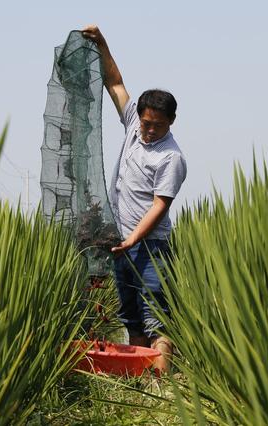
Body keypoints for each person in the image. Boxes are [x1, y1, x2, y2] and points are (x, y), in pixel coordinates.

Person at [82, 25, 187, 374]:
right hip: (122, 245)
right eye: (145, 123)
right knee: (131, 317)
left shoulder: (171, 158)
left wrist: (133, 239)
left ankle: (162, 388)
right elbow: (115, 84)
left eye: (157, 124)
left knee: (156, 318)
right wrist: (102, 44)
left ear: (171, 122)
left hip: (150, 247)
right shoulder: (132, 126)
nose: (149, 130)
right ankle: (140, 384)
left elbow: (160, 206)